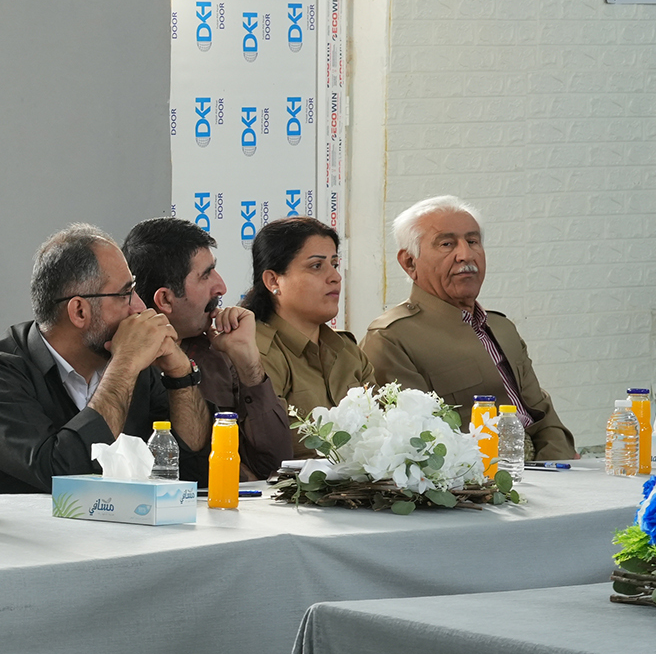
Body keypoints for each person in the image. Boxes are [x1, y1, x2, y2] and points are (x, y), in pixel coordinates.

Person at [0, 224, 209, 494]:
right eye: (125, 294)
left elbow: (191, 472)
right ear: (79, 311)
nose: (139, 307)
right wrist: (124, 364)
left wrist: (181, 374)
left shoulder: (135, 368)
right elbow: (64, 477)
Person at [360, 198, 577, 459]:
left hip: (543, 472)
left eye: (473, 241)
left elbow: (543, 417)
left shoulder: (502, 327)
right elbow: (421, 444)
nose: (466, 255)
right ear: (409, 262)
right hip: (476, 475)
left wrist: (558, 465)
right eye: (447, 244)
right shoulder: (391, 338)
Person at [122, 218, 292, 479]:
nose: (222, 287)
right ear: (165, 299)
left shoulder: (217, 354)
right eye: (206, 275)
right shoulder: (123, 364)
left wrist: (248, 363)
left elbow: (275, 466)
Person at [243, 217, 373, 457]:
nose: (335, 277)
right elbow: (268, 451)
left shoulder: (348, 351)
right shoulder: (255, 351)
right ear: (273, 280)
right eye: (316, 266)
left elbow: (382, 431)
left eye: (334, 264)